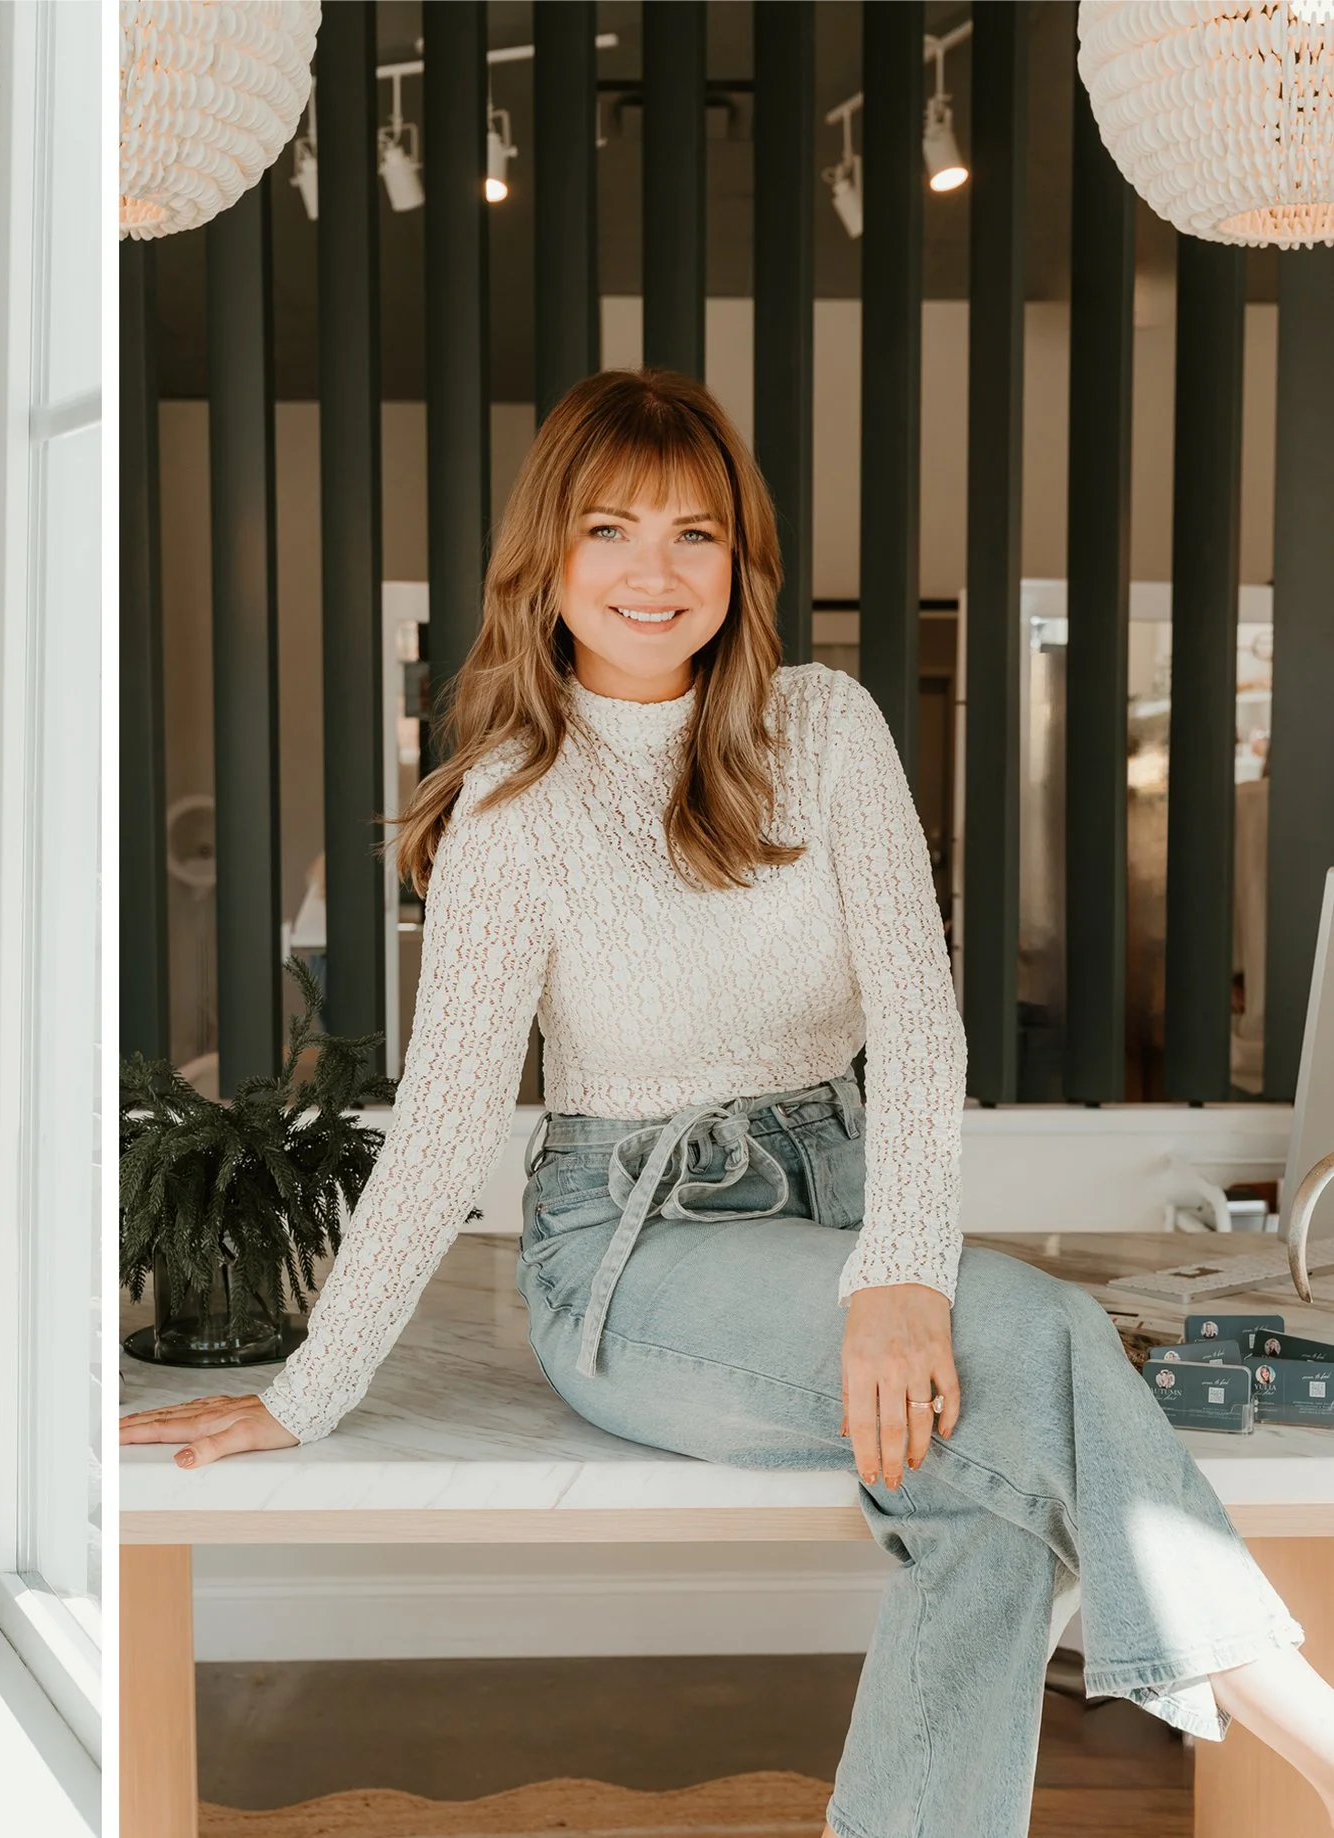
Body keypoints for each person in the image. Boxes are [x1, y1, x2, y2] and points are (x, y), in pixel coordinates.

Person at [121, 366, 1334, 1838]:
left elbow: (918, 1025)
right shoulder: (515, 801)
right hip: (632, 1257)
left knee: (986, 1512)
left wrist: (894, 1263)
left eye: (695, 535)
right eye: (612, 530)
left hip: (831, 1199)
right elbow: (442, 1129)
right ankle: (1312, 1731)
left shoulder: (825, 727)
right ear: (547, 562)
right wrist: (308, 1391)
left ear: (744, 561)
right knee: (1040, 1330)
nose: (654, 573)